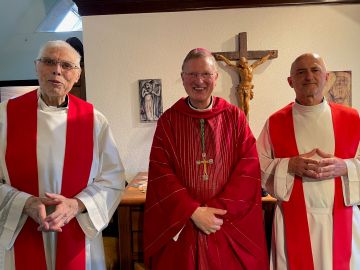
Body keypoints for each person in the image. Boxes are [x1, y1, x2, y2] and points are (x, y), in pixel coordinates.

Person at [0, 40, 125, 270]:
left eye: (66, 65)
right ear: (36, 67)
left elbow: (113, 180)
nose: (57, 70)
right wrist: (23, 203)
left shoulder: (94, 121)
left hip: (76, 232)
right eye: (49, 62)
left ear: (77, 75)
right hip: (21, 229)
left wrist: (76, 205)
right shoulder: (5, 115)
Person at [144, 48, 268, 269]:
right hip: (183, 223)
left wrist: (214, 213)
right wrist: (193, 211)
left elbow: (248, 170)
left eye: (206, 74)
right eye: (191, 74)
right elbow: (161, 172)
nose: (199, 80)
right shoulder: (169, 121)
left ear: (216, 77)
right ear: (182, 78)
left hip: (224, 223)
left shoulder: (235, 117)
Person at [257, 53, 360, 269]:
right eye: (300, 72)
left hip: (343, 221)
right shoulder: (276, 122)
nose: (309, 76)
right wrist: (288, 165)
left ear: (327, 77)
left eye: (315, 70)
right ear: (290, 81)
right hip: (293, 222)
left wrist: (346, 166)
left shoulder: (352, 119)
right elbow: (258, 166)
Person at [215, 51, 275, 116]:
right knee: (241, 105)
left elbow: (261, 61)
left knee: (246, 103)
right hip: (241, 88)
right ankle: (242, 118)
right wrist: (221, 57)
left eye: (246, 62)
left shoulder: (252, 67)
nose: (246, 63)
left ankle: (245, 118)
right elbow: (229, 63)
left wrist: (269, 54)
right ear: (241, 64)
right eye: (244, 62)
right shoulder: (240, 70)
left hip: (248, 88)